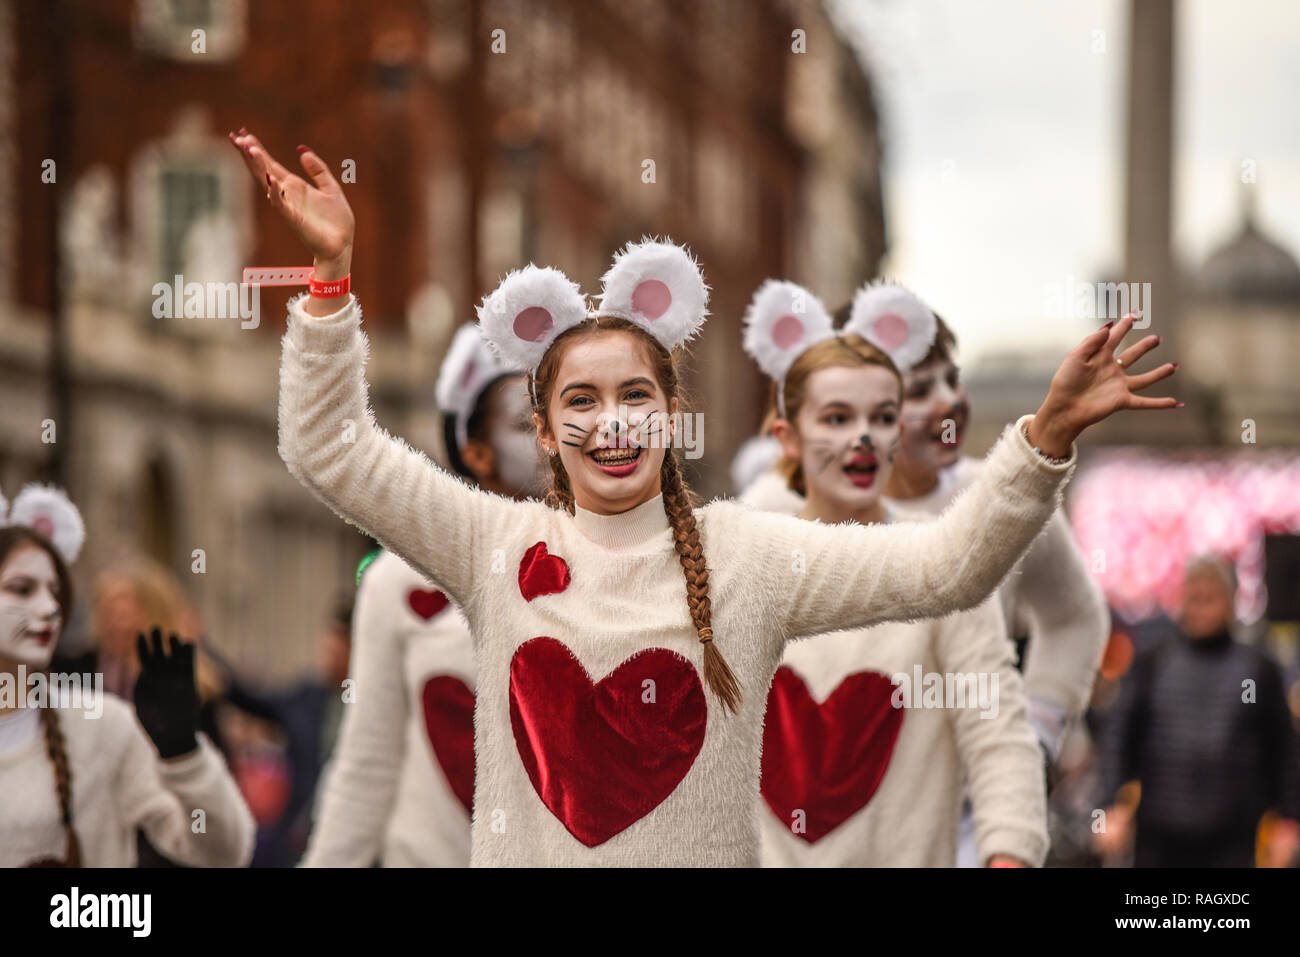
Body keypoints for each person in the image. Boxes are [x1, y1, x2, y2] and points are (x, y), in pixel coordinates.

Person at [229, 128, 1176, 865]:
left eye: (636, 394)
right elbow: (330, 448)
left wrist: (1042, 438)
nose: (613, 422)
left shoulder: (746, 553)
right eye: (582, 401)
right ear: (546, 428)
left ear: (674, 412)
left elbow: (950, 563)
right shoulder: (493, 543)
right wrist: (328, 285)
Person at [739, 280, 1046, 866]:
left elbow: (997, 729)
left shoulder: (941, 561)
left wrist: (1009, 851)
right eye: (835, 417)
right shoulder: (741, 561)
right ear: (788, 437)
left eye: (881, 417)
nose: (862, 438)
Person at [303, 324, 544, 866]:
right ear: (476, 452)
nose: (550, 441)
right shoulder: (399, 579)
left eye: (558, 418)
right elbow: (365, 764)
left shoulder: (608, 564)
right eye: (524, 425)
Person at [0, 483, 254, 867]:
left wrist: (183, 754)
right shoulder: (84, 671)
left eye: (55, 592)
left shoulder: (103, 727)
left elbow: (221, 852)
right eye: (22, 589)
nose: (47, 608)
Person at [1095, 556, 1300, 867]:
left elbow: (1284, 749)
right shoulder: (1155, 661)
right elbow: (1119, 733)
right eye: (1195, 598)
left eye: (1210, 598)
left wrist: (1290, 820)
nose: (1201, 608)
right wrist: (1110, 804)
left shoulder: (1256, 668)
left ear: (1230, 601)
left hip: (1234, 838)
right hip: (1159, 835)